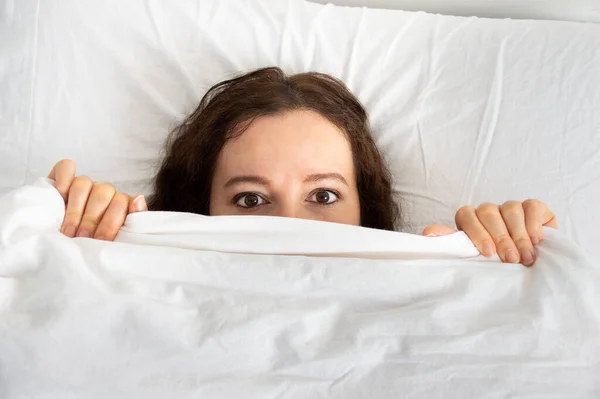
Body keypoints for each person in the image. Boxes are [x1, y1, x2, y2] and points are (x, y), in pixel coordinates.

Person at [48, 67, 557, 266]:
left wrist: (512, 253)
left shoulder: (424, 270)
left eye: (324, 196)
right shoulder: (141, 276)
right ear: (199, 208)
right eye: (250, 199)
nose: (290, 226)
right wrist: (69, 233)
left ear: (366, 208)